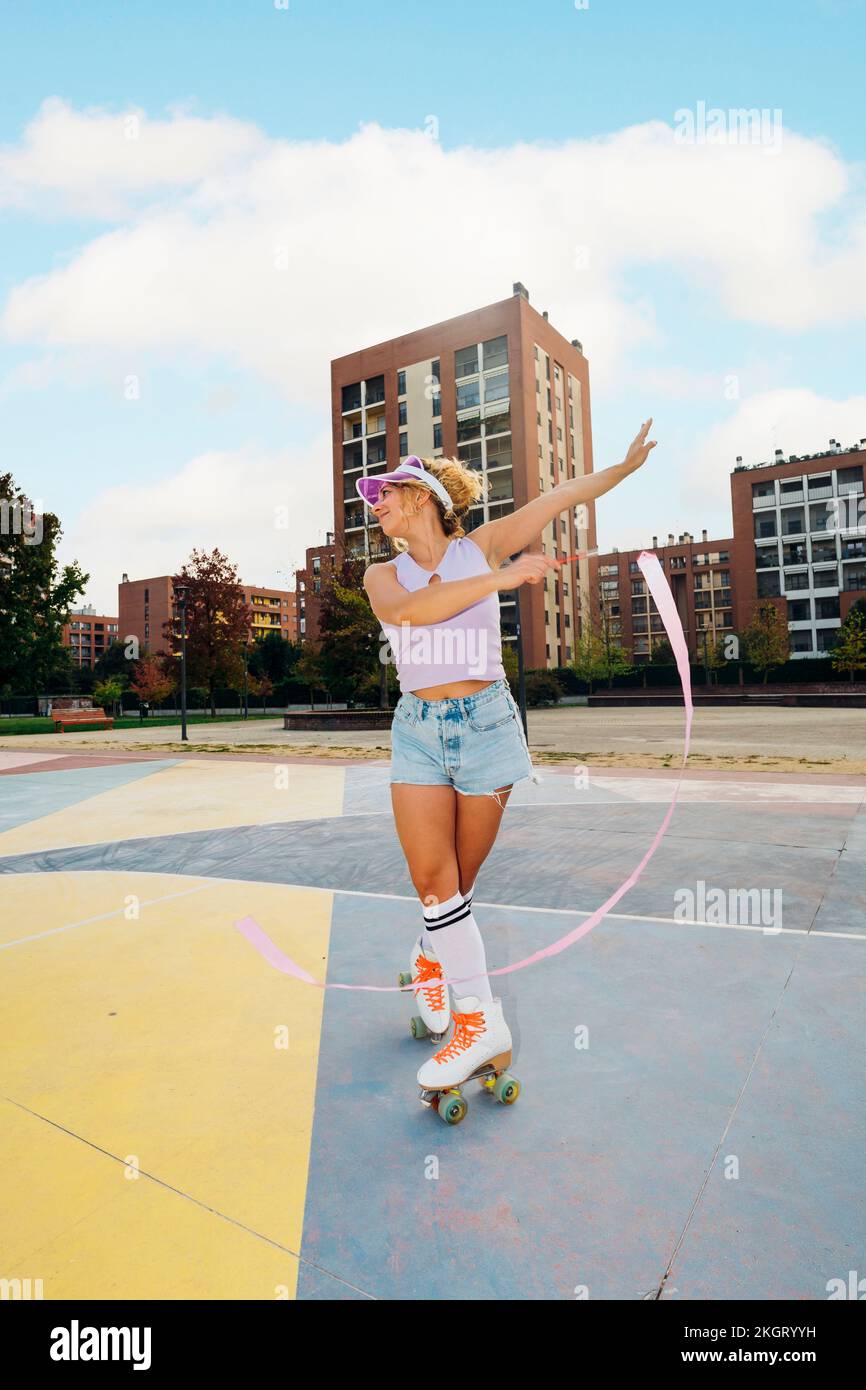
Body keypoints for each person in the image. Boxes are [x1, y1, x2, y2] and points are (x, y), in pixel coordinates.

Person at [360, 421, 656, 1098]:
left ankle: (430, 955)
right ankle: (479, 1022)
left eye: (387, 491)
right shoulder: (383, 576)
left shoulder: (480, 545)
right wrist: (504, 577)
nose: (374, 501)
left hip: (489, 726)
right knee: (435, 880)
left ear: (424, 498)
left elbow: (561, 496)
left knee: (458, 883)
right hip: (419, 731)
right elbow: (414, 615)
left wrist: (624, 469)